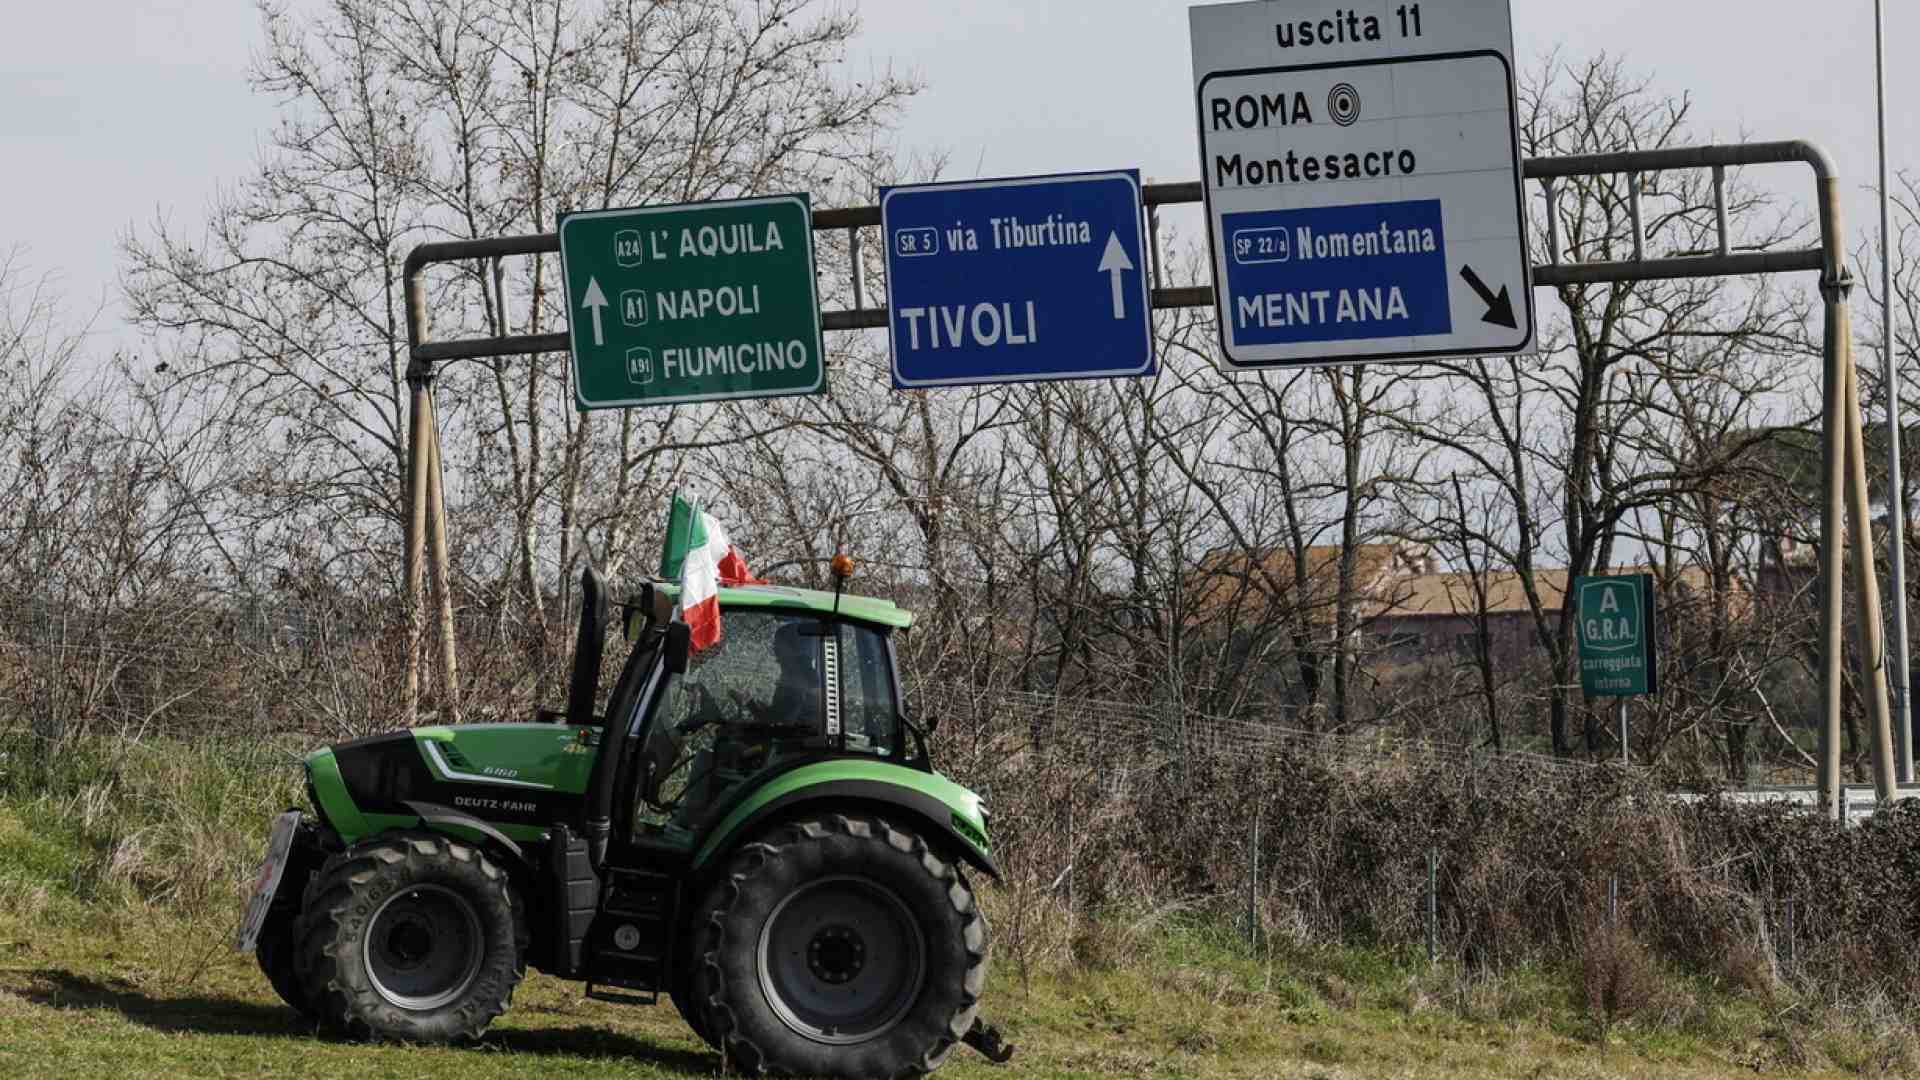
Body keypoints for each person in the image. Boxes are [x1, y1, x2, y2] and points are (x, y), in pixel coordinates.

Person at [731, 621, 818, 732]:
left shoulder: (800, 681)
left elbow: (772, 720)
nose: (775, 651)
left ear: (794, 650)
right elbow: (779, 713)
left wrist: (748, 702)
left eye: (779, 646)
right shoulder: (799, 676)